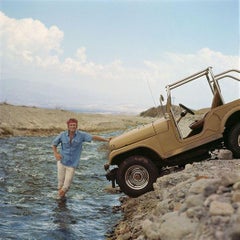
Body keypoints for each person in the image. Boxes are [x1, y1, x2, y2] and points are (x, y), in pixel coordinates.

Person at [52, 118, 109, 199]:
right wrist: (56, 153)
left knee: (66, 187)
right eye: (71, 125)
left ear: (76, 126)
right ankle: (61, 202)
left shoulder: (81, 135)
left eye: (74, 125)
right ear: (68, 126)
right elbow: (54, 144)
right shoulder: (62, 135)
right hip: (61, 162)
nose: (72, 127)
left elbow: (93, 137)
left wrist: (106, 140)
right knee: (60, 185)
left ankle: (59, 200)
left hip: (72, 165)